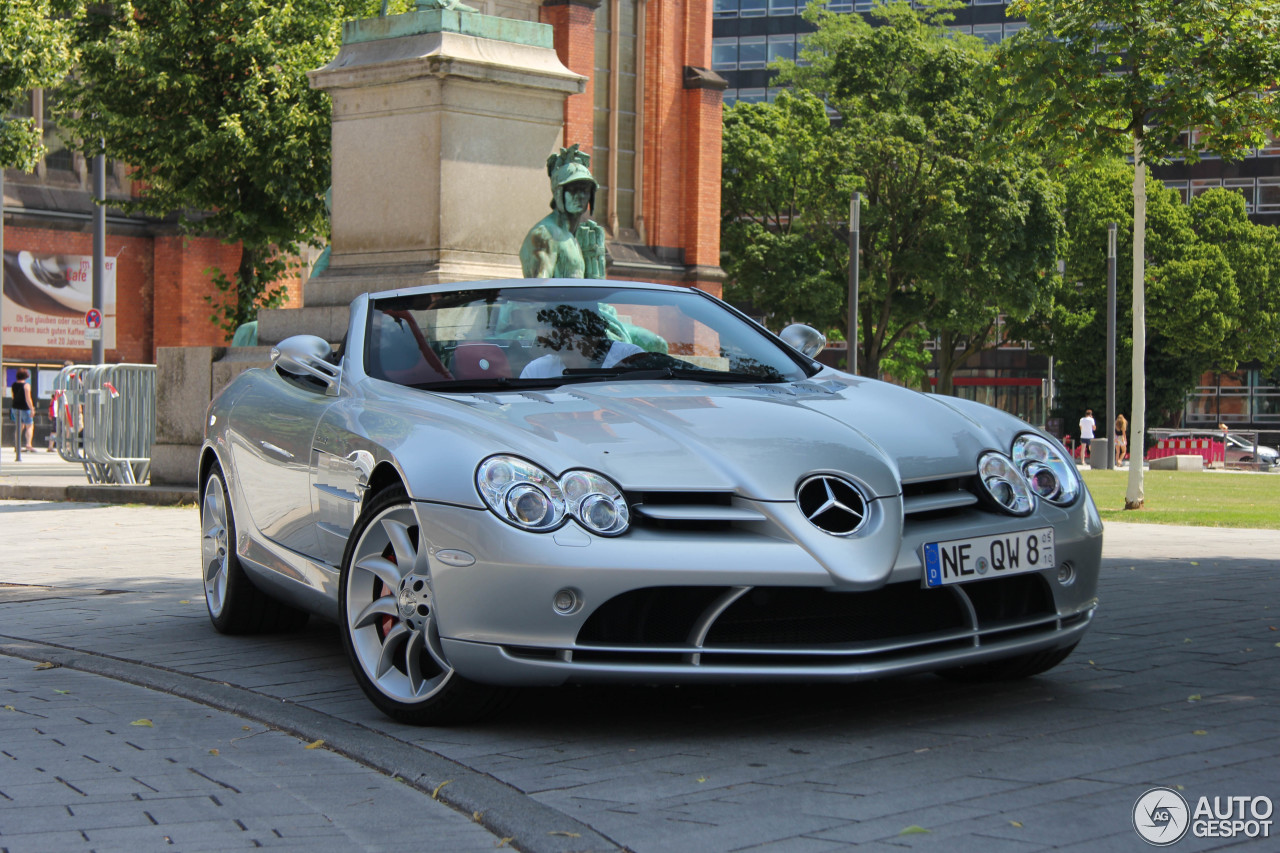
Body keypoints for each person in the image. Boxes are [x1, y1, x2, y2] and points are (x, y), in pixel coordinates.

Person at [519, 144, 607, 280]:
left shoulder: (574, 238)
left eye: (585, 190)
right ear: (559, 193)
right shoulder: (545, 234)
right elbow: (538, 290)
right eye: (573, 189)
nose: (580, 196)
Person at [520, 305, 644, 379]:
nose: (539, 334)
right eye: (539, 326)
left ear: (572, 333)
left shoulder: (629, 357)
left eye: (548, 327)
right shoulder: (535, 371)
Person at [9, 367, 35, 459]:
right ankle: (28, 444)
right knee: (29, 425)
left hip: (15, 407)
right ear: (26, 376)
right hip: (24, 407)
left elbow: (13, 396)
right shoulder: (26, 385)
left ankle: (17, 445)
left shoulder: (13, 385)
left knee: (19, 426)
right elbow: (28, 399)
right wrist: (32, 409)